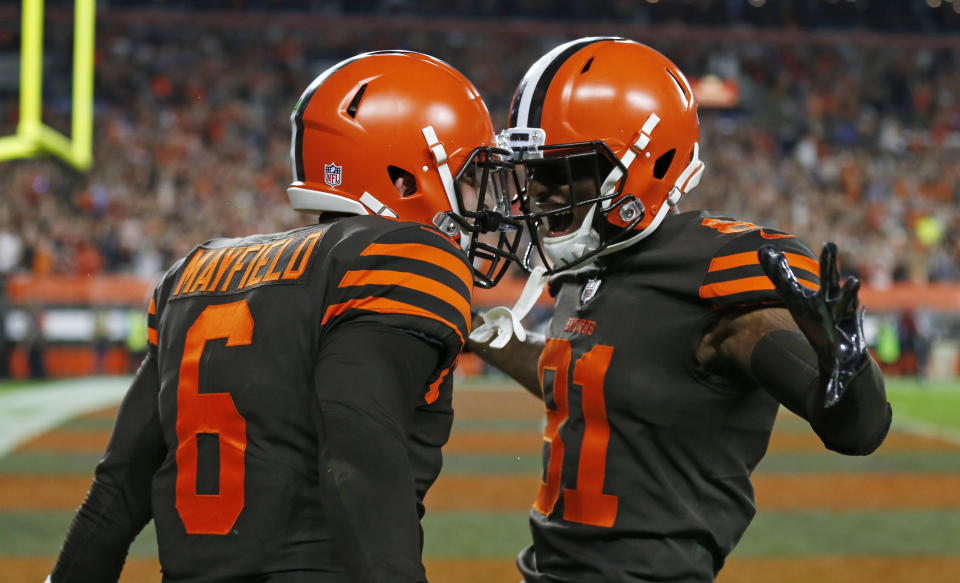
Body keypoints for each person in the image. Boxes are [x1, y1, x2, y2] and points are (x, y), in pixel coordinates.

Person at [48, 50, 525, 583]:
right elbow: (356, 466)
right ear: (405, 177)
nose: (485, 205)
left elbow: (117, 489)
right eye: (468, 178)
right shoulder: (402, 258)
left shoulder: (195, 270)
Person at [470, 37, 892, 583]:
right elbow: (582, 371)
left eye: (562, 170)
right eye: (534, 172)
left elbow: (857, 430)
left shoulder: (716, 275)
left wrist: (850, 372)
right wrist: (480, 334)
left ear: (646, 164)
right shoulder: (594, 265)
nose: (539, 193)